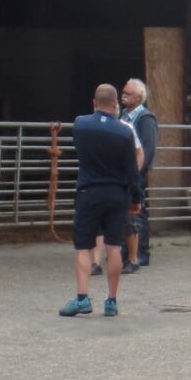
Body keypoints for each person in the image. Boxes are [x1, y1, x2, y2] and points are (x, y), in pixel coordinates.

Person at [60, 85, 141, 318]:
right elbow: (131, 170)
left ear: (94, 102)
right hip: (117, 194)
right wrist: (136, 198)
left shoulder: (81, 124)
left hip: (89, 192)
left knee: (84, 246)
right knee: (114, 247)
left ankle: (82, 298)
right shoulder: (125, 132)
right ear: (116, 103)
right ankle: (112, 301)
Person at [120, 78, 158, 269]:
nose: (123, 96)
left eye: (128, 93)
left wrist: (137, 172)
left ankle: (141, 252)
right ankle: (126, 251)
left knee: (138, 211)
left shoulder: (145, 119)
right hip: (124, 172)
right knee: (126, 212)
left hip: (136, 173)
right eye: (123, 92)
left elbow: (147, 148)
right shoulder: (123, 116)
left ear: (138, 98)